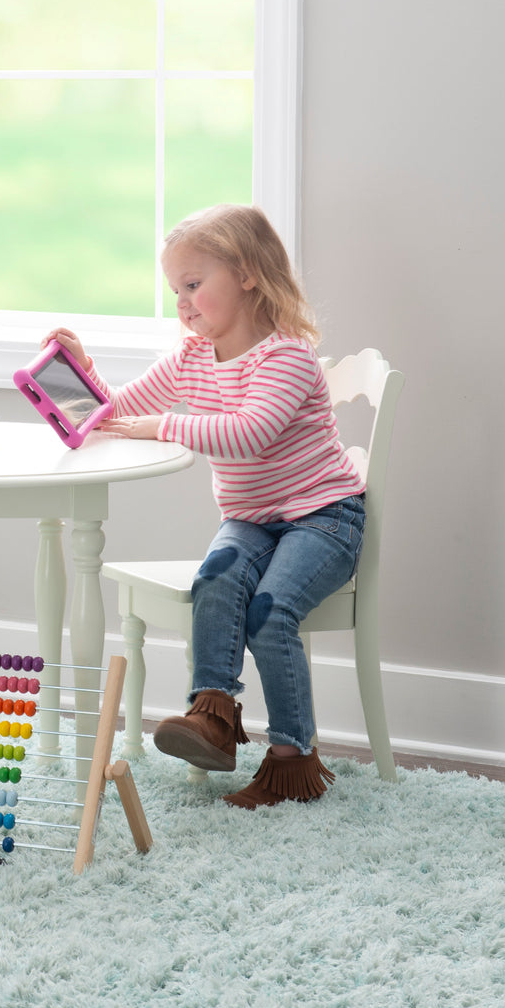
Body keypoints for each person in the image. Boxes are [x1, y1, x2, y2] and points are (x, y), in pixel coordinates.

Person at [46, 204, 365, 808]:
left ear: (247, 273)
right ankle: (214, 719)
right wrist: (81, 373)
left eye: (193, 285)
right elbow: (114, 411)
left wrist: (162, 426)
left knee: (270, 612)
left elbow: (249, 432)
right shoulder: (190, 357)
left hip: (323, 516)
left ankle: (292, 759)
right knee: (215, 580)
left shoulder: (287, 357)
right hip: (251, 519)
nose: (183, 304)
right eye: (176, 291)